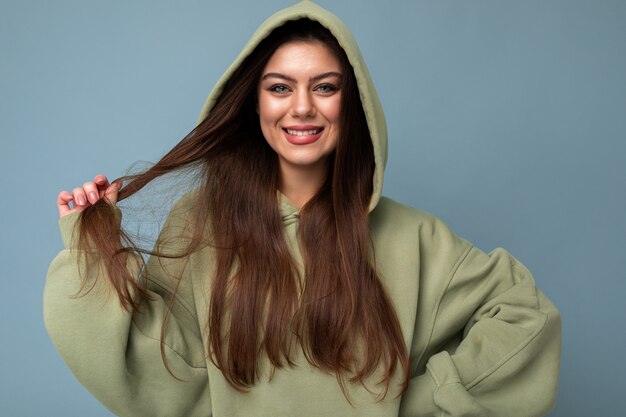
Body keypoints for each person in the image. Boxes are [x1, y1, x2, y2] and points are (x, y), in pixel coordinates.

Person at [44, 1, 561, 416]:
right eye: (279, 88)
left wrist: (419, 404)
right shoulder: (199, 221)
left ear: (350, 102)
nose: (302, 107)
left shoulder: (415, 238)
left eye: (325, 87)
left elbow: (525, 319)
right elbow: (165, 371)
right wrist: (94, 244)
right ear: (255, 102)